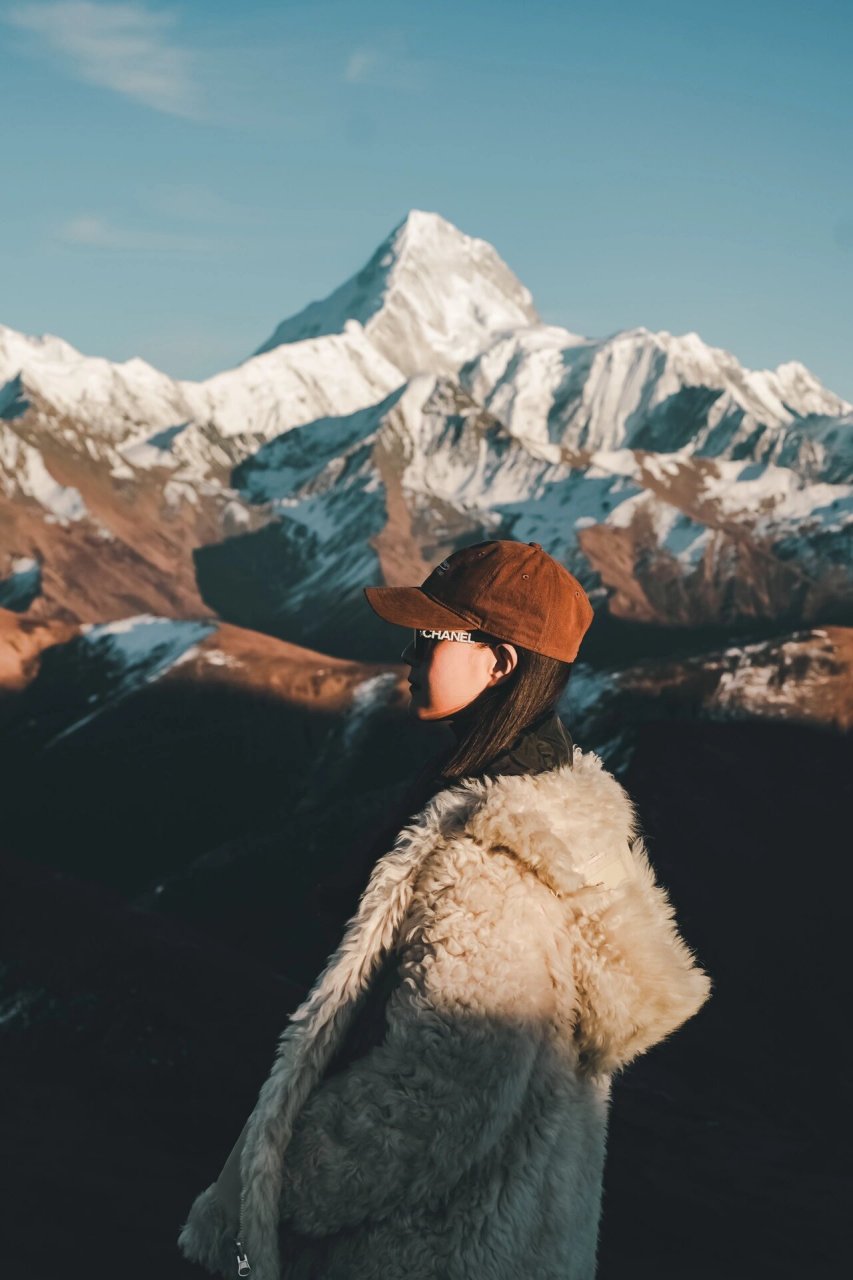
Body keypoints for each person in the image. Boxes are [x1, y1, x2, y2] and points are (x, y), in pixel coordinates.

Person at [177, 539, 711, 1280]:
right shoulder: (557, 820)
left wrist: (274, 1186)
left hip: (418, 1254)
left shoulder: (489, 863)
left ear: (499, 663)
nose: (407, 655)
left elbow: (442, 1091)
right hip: (500, 1243)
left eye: (432, 638)